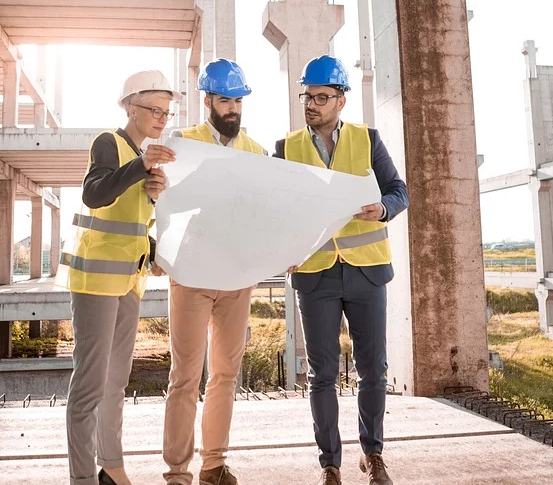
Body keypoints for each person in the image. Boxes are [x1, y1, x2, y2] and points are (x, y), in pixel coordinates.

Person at [273, 55, 409, 485]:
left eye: (321, 97)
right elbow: (275, 209)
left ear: (341, 100)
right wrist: (283, 249)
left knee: (373, 369)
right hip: (315, 274)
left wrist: (383, 208)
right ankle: (329, 463)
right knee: (323, 374)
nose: (311, 104)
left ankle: (373, 454)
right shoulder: (286, 147)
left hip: (366, 271)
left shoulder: (368, 140)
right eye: (307, 96)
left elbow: (399, 191)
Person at [57, 70, 181, 485]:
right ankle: (82, 479)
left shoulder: (142, 155)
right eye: (154, 109)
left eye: (167, 111)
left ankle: (111, 467)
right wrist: (140, 167)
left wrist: (150, 193)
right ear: (131, 107)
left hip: (129, 282)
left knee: (115, 382)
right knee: (90, 385)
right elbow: (94, 193)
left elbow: (130, 222)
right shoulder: (108, 142)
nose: (162, 117)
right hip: (95, 282)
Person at [145, 58, 265, 485]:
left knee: (225, 375)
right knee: (184, 375)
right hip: (193, 276)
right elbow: (158, 200)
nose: (233, 109)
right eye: (225, 100)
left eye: (238, 101)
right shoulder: (183, 142)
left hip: (236, 278)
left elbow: (265, 214)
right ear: (208, 100)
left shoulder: (255, 152)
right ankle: (178, 470)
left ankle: (213, 463)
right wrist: (154, 244)